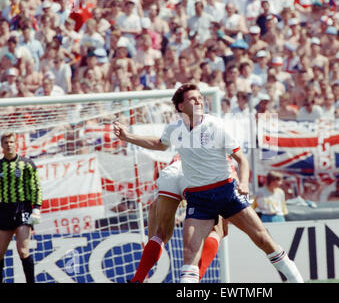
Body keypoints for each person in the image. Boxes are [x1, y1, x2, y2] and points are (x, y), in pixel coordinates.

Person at [113, 83, 303, 283]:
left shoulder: (215, 125)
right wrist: (128, 137)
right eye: (192, 99)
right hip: (198, 198)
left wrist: (244, 183)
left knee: (263, 239)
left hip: (226, 193)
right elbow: (159, 144)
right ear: (180, 106)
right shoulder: (175, 129)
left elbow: (242, 160)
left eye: (200, 98)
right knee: (190, 252)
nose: (199, 101)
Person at [128, 159, 226, 283]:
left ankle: (137, 279)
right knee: (217, 230)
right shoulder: (216, 150)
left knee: (161, 234)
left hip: (172, 172)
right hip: (200, 172)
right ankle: (195, 279)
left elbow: (153, 207)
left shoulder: (178, 149)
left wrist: (152, 245)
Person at [0, 132, 42, 283]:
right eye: (6, 142)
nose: (9, 144)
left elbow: (36, 187)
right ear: (2, 145)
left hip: (23, 208)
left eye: (11, 142)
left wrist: (36, 208)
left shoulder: (27, 164)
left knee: (23, 251)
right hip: (4, 210)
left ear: (16, 143)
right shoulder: (0, 166)